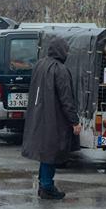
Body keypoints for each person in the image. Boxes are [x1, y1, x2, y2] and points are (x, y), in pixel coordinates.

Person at [21, 38, 82, 200]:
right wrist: (74, 121)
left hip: (40, 115)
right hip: (54, 119)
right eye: (66, 50)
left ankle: (44, 185)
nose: (67, 53)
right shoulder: (60, 70)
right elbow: (66, 99)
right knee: (51, 152)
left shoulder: (40, 65)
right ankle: (47, 186)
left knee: (45, 152)